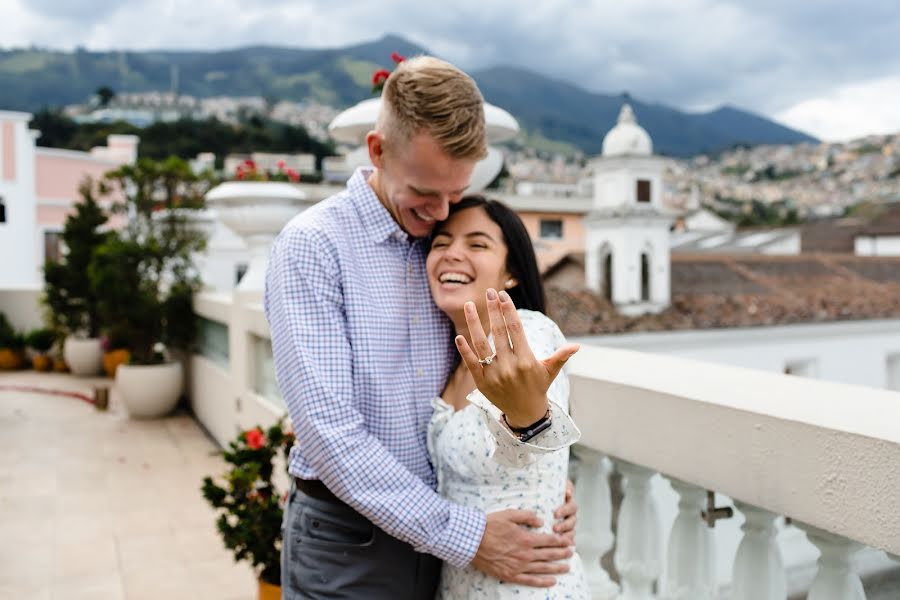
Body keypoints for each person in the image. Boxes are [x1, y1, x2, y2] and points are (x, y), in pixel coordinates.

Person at [265, 56, 577, 599]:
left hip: (451, 545)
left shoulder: (440, 245)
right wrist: (467, 536)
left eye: (455, 193)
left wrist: (543, 491)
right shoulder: (312, 246)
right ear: (377, 151)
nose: (439, 214)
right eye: (424, 192)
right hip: (351, 542)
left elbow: (511, 408)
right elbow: (330, 434)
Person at [426, 195, 589, 598]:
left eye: (477, 244)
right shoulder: (452, 356)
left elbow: (524, 434)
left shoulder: (529, 332)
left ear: (511, 272)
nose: (453, 254)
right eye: (441, 242)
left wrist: (528, 417)